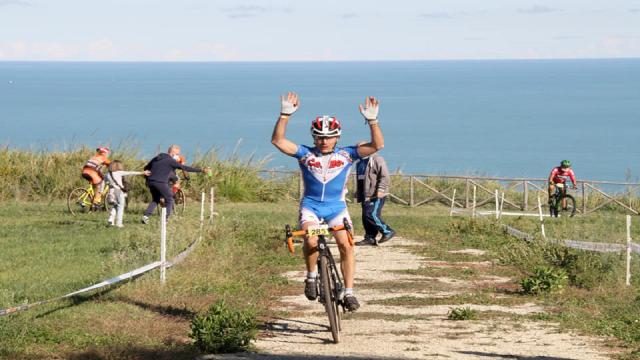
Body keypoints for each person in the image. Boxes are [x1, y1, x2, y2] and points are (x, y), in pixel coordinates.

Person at [271, 92, 385, 312]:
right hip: (311, 207)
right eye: (320, 137)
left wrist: (372, 121)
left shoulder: (347, 154)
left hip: (336, 208)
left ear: (337, 137)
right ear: (314, 137)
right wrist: (284, 115)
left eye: (329, 136)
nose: (324, 141)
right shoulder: (305, 154)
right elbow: (278, 141)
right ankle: (312, 276)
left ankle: (349, 291)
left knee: (346, 244)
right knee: (311, 241)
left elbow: (377, 145)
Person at [141, 145, 210, 223]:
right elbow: (185, 168)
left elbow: (146, 167)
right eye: (177, 154)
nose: (178, 156)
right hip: (160, 182)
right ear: (172, 153)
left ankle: (145, 216)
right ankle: (165, 220)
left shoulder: (156, 158)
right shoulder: (170, 161)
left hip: (150, 182)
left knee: (156, 199)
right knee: (170, 198)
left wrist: (147, 176)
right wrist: (202, 170)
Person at [354, 151, 395, 246]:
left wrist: (381, 189)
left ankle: (387, 231)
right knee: (365, 216)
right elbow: (361, 179)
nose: (359, 151)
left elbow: (385, 176)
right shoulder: (359, 162)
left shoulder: (377, 159)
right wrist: (359, 192)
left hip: (376, 194)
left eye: (362, 148)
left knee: (371, 214)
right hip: (365, 195)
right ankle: (370, 238)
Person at [105, 160, 150, 227]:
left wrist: (101, 191)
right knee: (120, 207)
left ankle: (111, 220)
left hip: (111, 191)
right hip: (118, 191)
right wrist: (142, 173)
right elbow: (130, 173)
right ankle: (119, 223)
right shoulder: (119, 172)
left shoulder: (107, 174)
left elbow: (105, 182)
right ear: (118, 166)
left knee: (115, 205)